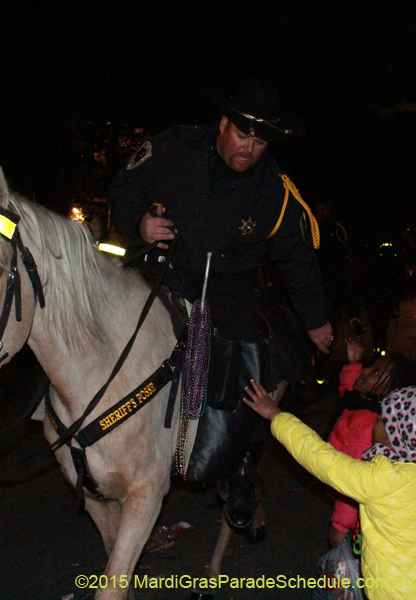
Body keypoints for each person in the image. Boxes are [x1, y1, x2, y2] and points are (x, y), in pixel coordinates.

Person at [109, 78, 332, 528]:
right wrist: (139, 223)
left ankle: (239, 461)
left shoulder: (276, 192)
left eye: (261, 140)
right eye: (243, 134)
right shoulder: (173, 146)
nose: (249, 148)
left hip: (228, 285)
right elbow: (125, 186)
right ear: (224, 124)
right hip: (162, 267)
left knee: (252, 352)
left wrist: (316, 322)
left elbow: (298, 259)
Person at [244, 382, 416, 600]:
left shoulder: (383, 480)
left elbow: (321, 459)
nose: (376, 420)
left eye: (384, 420)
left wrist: (276, 416)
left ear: (398, 439)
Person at [325, 338, 416, 548]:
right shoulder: (363, 401)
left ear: (389, 391)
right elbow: (348, 391)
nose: (366, 371)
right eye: (371, 366)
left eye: (375, 373)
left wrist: (340, 525)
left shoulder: (367, 424)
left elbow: (354, 481)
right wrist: (354, 364)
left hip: (350, 505)